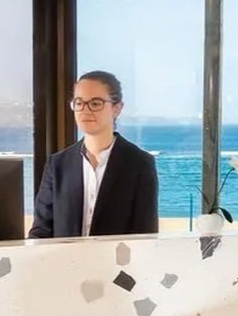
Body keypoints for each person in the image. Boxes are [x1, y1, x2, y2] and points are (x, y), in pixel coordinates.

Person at [30, 70, 160, 239]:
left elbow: (145, 236)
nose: (85, 110)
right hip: (63, 257)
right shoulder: (58, 164)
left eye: (96, 103)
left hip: (116, 257)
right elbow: (40, 232)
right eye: (79, 103)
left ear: (117, 108)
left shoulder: (140, 164)